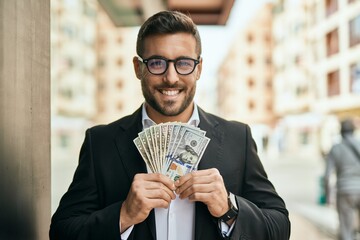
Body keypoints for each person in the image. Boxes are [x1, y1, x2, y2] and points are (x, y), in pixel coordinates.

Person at [50, 10, 290, 240]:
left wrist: (229, 208)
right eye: (157, 63)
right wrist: (123, 215)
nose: (171, 77)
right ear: (138, 68)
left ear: (199, 69)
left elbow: (279, 227)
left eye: (184, 63)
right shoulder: (100, 142)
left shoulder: (238, 138)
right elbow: (62, 231)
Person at [324, 118, 360, 240]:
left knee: (346, 229)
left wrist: (328, 196)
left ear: (341, 132)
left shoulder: (336, 148)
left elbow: (327, 175)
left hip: (345, 191)